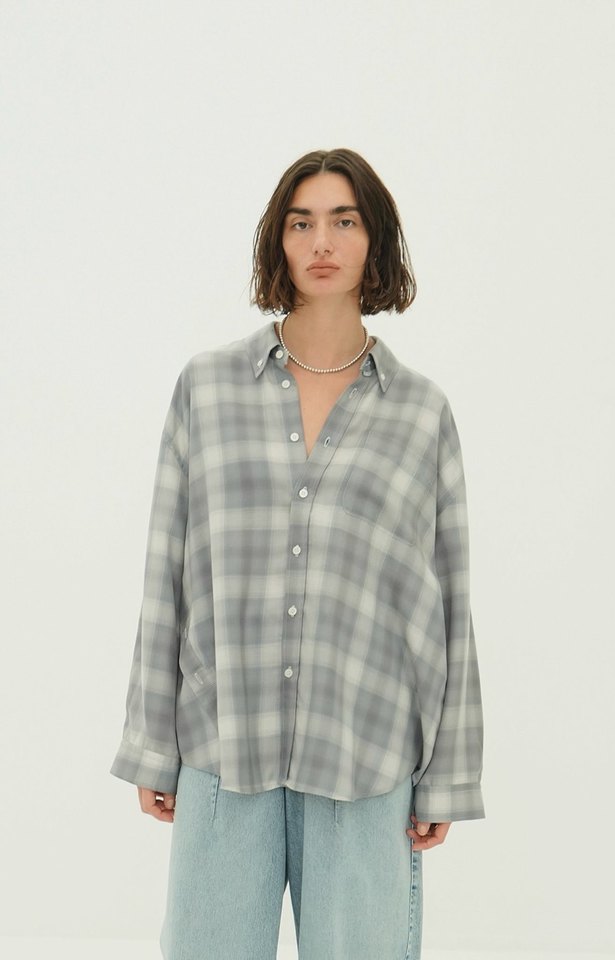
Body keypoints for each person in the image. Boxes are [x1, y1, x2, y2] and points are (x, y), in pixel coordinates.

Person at [110, 147, 485, 960]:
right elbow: (165, 574)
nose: (322, 242)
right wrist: (151, 743)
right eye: (301, 222)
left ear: (374, 240)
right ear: (276, 242)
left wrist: (448, 772)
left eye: (344, 221)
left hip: (364, 756)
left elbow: (451, 603)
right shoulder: (208, 389)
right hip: (224, 749)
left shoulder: (421, 414)